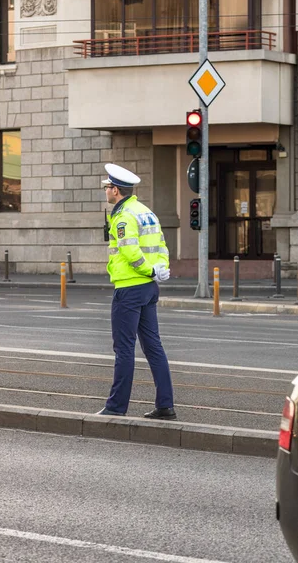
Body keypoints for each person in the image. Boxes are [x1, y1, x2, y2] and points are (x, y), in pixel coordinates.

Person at [96, 163, 176, 420]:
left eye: (107, 187)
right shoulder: (146, 212)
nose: (106, 191)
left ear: (116, 190)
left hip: (130, 288)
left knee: (124, 348)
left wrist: (148, 271)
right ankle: (165, 406)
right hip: (149, 289)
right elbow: (161, 245)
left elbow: (131, 252)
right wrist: (160, 269)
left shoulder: (123, 216)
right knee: (154, 346)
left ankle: (116, 407)